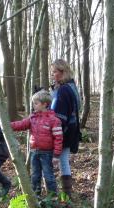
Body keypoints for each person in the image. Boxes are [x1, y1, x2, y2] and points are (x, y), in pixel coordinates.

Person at [11, 90, 63, 197]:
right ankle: (36, 196)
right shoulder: (32, 118)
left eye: (36, 103)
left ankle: (52, 197)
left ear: (45, 104)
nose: (34, 105)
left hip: (47, 153)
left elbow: (58, 138)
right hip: (34, 152)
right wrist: (8, 125)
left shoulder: (54, 120)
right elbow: (21, 124)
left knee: (48, 176)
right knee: (35, 175)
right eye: (33, 103)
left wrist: (56, 155)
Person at [50, 59, 81, 198]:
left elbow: (58, 115)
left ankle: (59, 194)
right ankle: (66, 194)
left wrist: (54, 133)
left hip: (64, 130)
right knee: (63, 160)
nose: (53, 74)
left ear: (62, 72)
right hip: (71, 130)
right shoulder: (71, 86)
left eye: (55, 72)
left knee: (56, 160)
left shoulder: (63, 90)